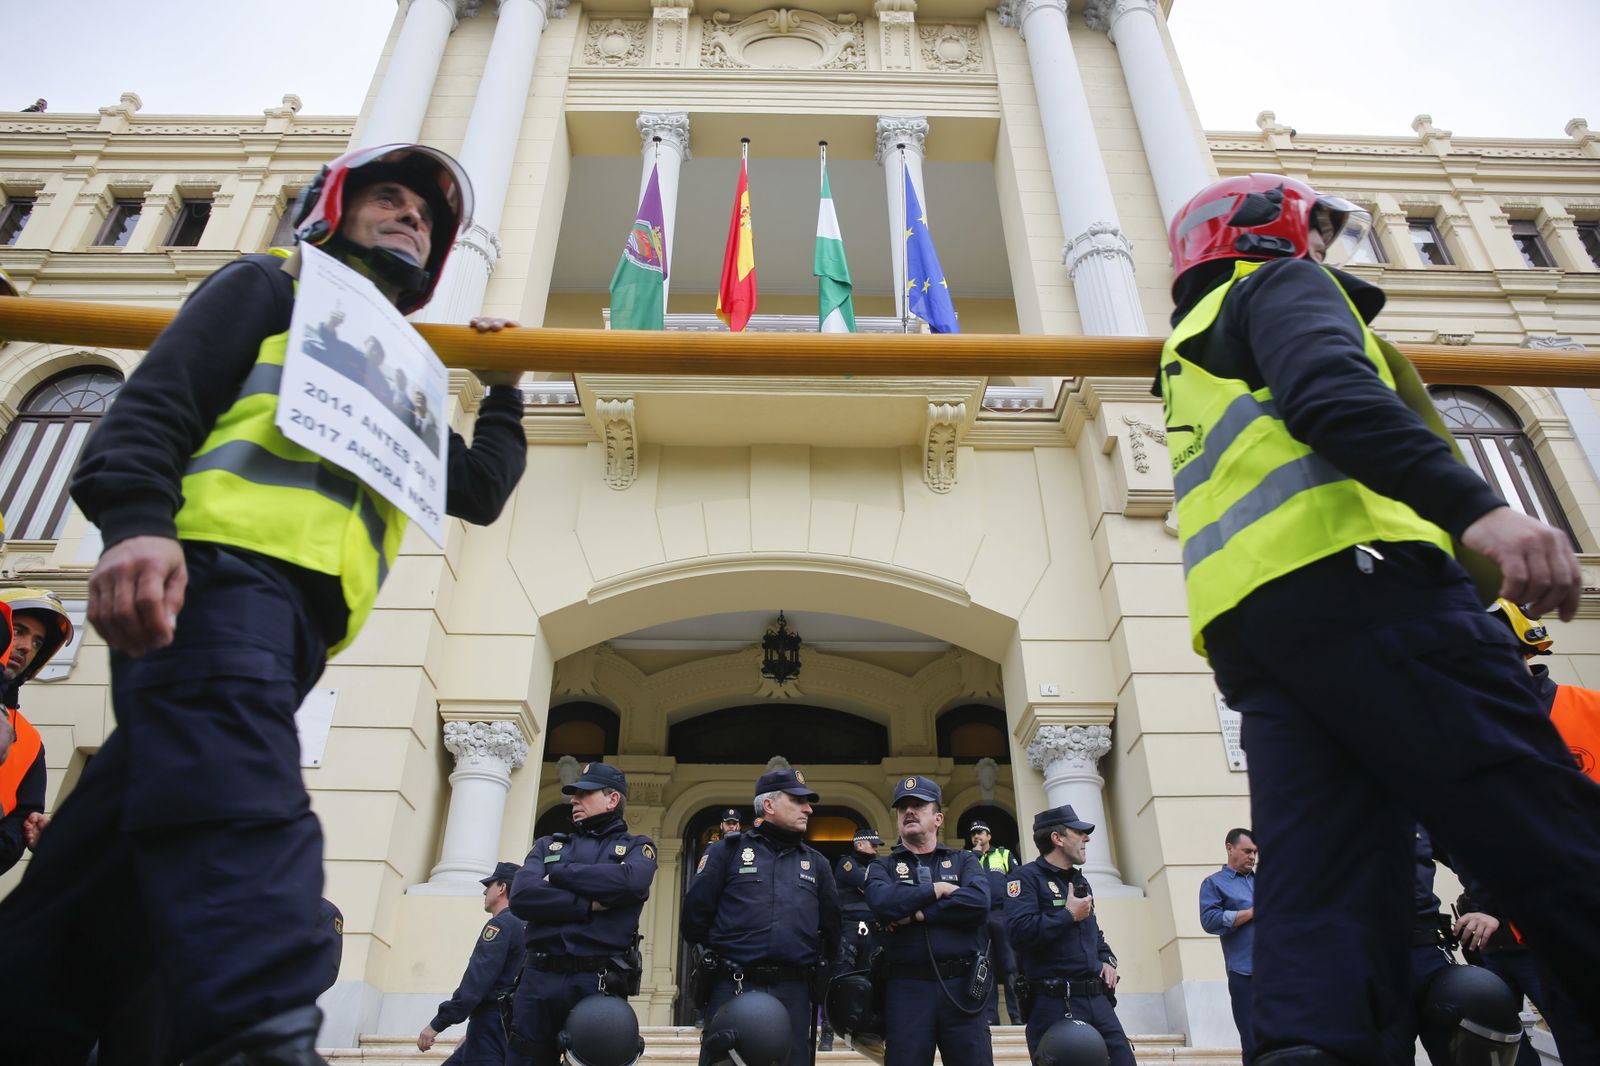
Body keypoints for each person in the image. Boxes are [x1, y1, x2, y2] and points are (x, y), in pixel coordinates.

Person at [0, 142, 528, 1066]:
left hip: (300, 627)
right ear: (335, 210)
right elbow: (156, 404)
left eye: (426, 217)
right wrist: (135, 525)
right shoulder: (269, 283)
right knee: (246, 806)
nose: (409, 218)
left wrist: (511, 388)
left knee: (96, 873)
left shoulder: (398, 363)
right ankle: (264, 1038)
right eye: (390, 200)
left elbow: (477, 489)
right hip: (210, 577)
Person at [1159, 172, 1600, 1064]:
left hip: (1259, 631)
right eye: (1319, 231)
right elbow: (1332, 397)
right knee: (1540, 822)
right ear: (1275, 231)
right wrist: (1484, 511)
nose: (1326, 250)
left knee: (1321, 895)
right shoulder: (1283, 285)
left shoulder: (1187, 347)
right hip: (1372, 588)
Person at [681, 768, 839, 1066]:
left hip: (794, 991)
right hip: (734, 985)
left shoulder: (816, 863)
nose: (809, 808)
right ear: (769, 805)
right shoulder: (726, 852)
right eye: (798, 800)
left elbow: (832, 930)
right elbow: (694, 918)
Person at [508, 762, 657, 1066]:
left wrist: (559, 874)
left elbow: (632, 882)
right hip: (539, 979)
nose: (574, 800)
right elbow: (522, 896)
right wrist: (587, 904)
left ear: (612, 799)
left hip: (598, 980)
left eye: (584, 794)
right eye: (574, 795)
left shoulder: (637, 847)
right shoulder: (548, 844)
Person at [865, 775, 991, 1066]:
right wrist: (937, 889)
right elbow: (883, 904)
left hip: (962, 987)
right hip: (906, 989)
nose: (908, 811)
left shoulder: (964, 861)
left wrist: (919, 914)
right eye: (902, 808)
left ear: (938, 819)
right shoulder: (882, 866)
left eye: (918, 805)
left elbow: (978, 903)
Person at [1005, 805, 1132, 1066]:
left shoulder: (1079, 880)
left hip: (1097, 999)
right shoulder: (1025, 878)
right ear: (1057, 838)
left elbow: (1093, 932)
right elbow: (1019, 933)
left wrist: (1107, 958)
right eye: (1079, 832)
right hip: (1054, 1002)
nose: (1086, 838)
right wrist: (1067, 915)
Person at [419, 861, 527, 1064]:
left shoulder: (500, 925)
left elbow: (476, 981)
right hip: (512, 1024)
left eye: (490, 885)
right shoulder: (528, 927)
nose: (485, 892)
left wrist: (437, 1024)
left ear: (502, 888)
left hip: (491, 1023)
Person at [0, 588, 70, 872]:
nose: (27, 647)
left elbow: (23, 815)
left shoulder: (29, 740)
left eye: (37, 642)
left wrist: (20, 836)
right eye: (18, 631)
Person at [1197, 828, 1256, 1058]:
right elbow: (1210, 920)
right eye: (1247, 851)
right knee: (1252, 1041)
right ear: (1229, 848)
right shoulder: (1214, 884)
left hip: (1278, 970)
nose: (1252, 857)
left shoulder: (1267, 881)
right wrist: (1250, 913)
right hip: (1244, 973)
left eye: (1255, 852)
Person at [823, 825, 883, 1053]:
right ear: (860, 844)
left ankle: (858, 1036)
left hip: (871, 931)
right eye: (873, 845)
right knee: (840, 980)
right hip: (849, 931)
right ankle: (828, 1034)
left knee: (867, 984)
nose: (876, 851)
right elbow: (870, 884)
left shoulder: (875, 867)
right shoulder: (846, 863)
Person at [967, 820, 1020, 1026]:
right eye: (973, 834)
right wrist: (976, 855)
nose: (976, 837)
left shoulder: (1004, 854)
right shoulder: (970, 858)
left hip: (1002, 914)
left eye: (980, 832)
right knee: (984, 967)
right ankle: (990, 1017)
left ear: (989, 836)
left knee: (1010, 966)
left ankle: (1017, 1016)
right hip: (980, 917)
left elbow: (1016, 881)